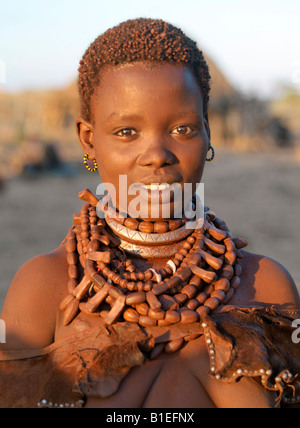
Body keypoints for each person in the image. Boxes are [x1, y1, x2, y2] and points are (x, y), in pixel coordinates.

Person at [0, 18, 299, 409]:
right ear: (89, 141)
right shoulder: (41, 289)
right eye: (127, 132)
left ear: (208, 134)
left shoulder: (269, 287)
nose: (157, 154)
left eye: (182, 129)